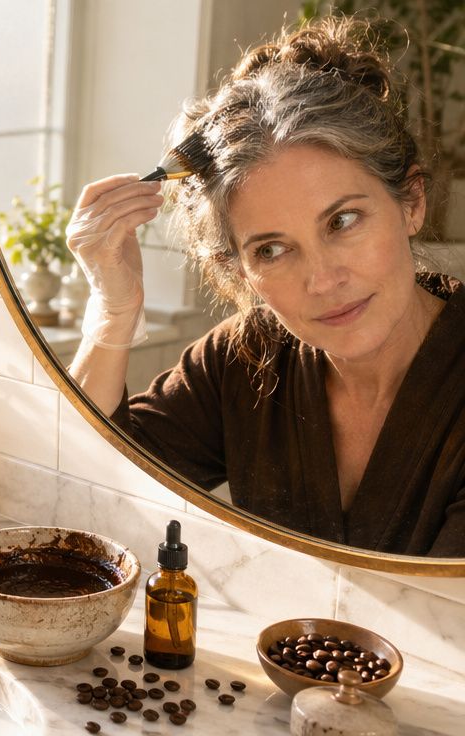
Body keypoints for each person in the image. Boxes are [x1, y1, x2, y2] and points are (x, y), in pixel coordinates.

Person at [66, 17, 465, 556]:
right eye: (271, 250)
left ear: (411, 202)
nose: (323, 280)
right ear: (236, 270)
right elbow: (85, 492)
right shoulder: (245, 359)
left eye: (343, 221)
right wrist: (112, 310)